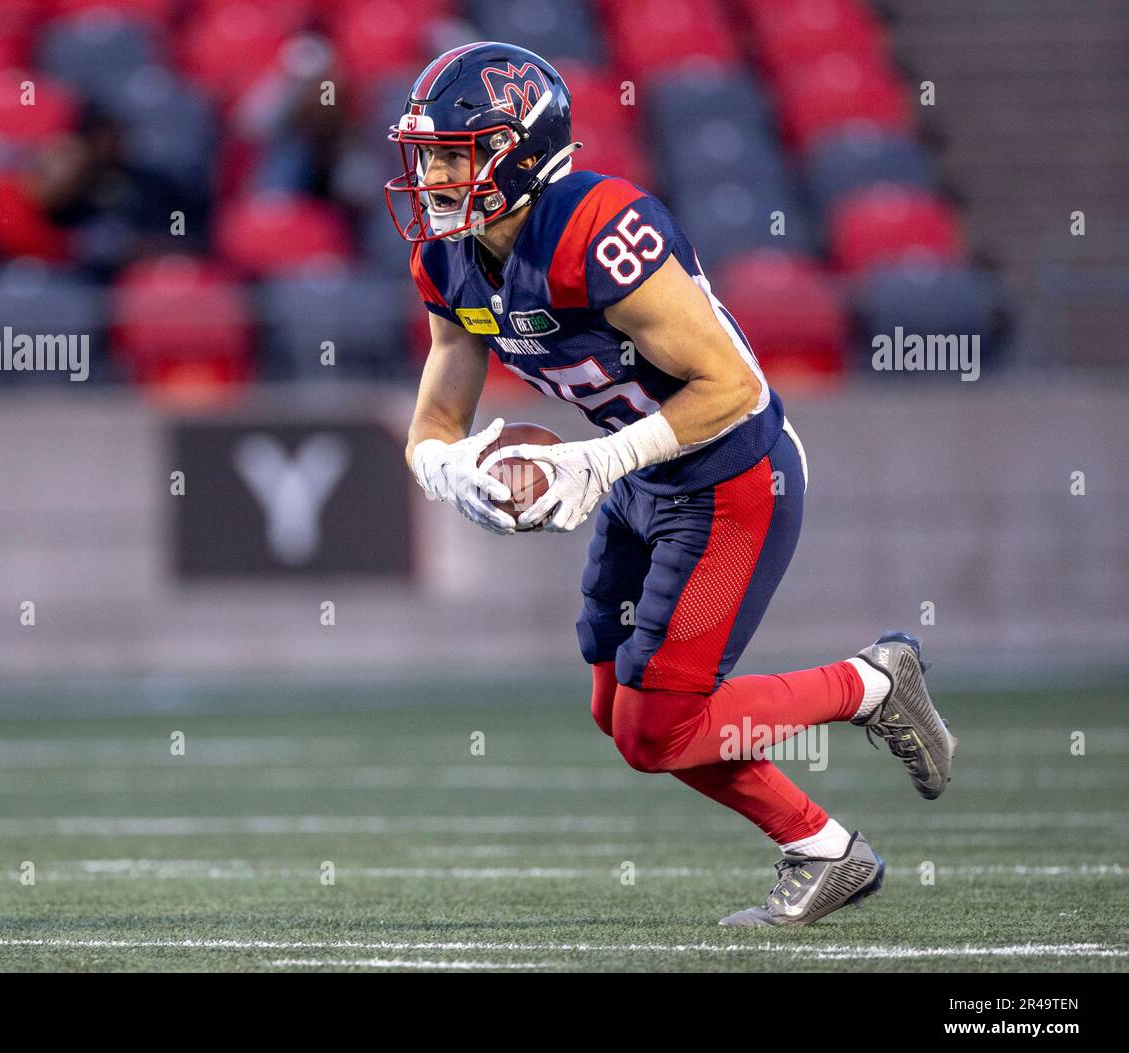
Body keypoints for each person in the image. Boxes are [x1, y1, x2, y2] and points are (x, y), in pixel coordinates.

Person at [388, 42, 957, 927]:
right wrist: (448, 473)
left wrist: (595, 460)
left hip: (732, 473)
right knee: (618, 708)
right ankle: (826, 853)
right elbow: (437, 413)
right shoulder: (451, 261)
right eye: (424, 156)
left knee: (659, 728)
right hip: (643, 476)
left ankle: (874, 683)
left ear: (521, 151)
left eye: (452, 156)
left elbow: (735, 388)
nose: (430, 177)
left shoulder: (598, 227)